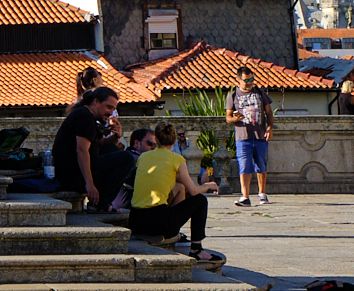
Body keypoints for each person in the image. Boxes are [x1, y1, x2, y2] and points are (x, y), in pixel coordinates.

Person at [129, 120, 223, 266]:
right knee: (200, 201)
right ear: (175, 140)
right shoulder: (177, 159)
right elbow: (193, 190)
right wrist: (207, 185)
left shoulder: (143, 157)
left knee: (179, 187)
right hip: (157, 223)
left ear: (156, 140)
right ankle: (196, 249)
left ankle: (176, 232)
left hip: (135, 220)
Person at [50, 85, 120, 206]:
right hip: (72, 177)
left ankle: (101, 202)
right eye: (108, 107)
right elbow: (82, 150)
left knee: (112, 149)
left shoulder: (89, 117)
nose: (110, 113)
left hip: (75, 174)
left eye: (113, 109)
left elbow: (103, 143)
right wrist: (90, 184)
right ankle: (101, 203)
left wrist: (117, 135)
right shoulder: (84, 116)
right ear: (96, 101)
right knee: (127, 159)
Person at [227, 62, 274, 206]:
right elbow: (228, 117)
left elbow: (269, 112)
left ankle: (262, 194)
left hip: (260, 135)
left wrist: (270, 128)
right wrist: (235, 119)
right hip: (243, 137)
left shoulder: (260, 93)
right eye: (246, 80)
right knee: (244, 166)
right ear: (238, 80)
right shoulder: (233, 96)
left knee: (261, 165)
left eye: (251, 79)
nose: (249, 83)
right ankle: (245, 196)